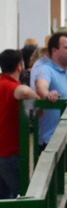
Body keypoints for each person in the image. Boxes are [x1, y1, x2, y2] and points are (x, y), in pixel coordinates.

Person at [30, 30, 67, 147]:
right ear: (54, 51)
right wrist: (48, 94)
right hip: (50, 140)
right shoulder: (45, 69)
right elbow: (41, 86)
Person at [0, 49, 35, 199]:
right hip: (9, 150)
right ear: (19, 67)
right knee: (19, 196)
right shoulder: (12, 87)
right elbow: (24, 92)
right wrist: (39, 100)